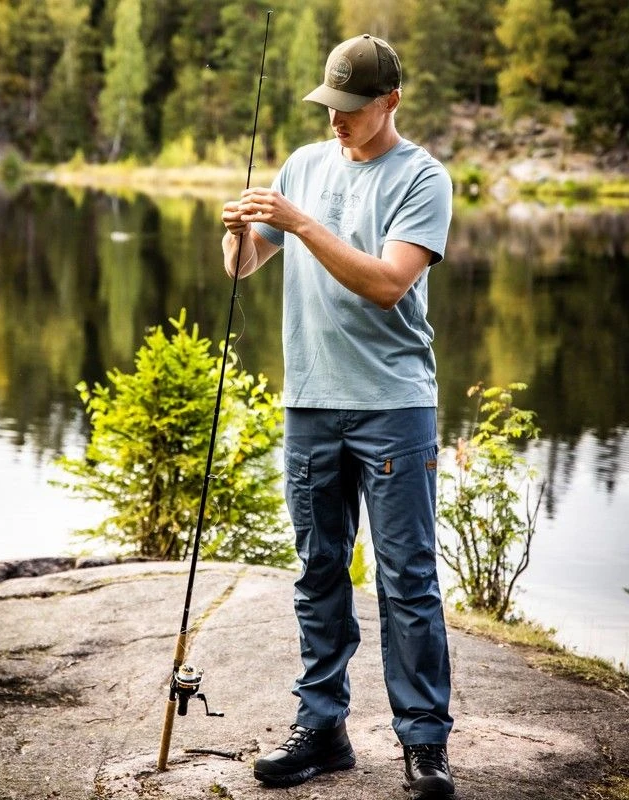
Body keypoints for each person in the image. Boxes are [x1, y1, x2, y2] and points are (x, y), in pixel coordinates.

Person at [220, 34, 455, 797]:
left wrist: (301, 224)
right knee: (318, 572)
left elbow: (389, 283)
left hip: (394, 407)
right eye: (330, 106)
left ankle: (424, 743)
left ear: (390, 101)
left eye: (352, 109)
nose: (337, 121)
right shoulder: (302, 165)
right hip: (311, 405)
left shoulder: (422, 177)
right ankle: (321, 730)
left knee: (407, 581)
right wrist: (236, 238)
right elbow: (247, 264)